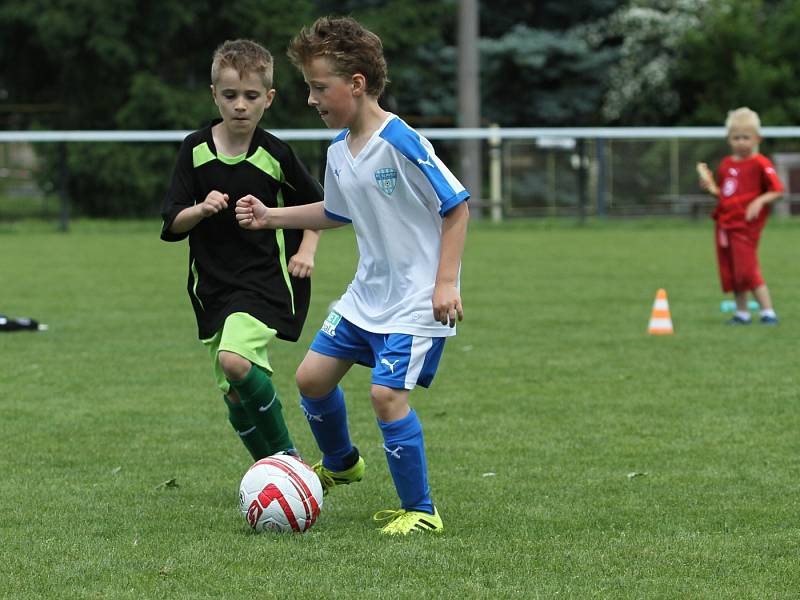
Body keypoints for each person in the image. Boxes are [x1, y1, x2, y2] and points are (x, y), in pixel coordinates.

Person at [236, 16, 470, 535]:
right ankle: (342, 463)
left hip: (415, 299)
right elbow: (336, 213)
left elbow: (455, 207)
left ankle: (422, 511)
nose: (313, 99)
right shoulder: (339, 150)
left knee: (386, 397)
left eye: (320, 87)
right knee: (311, 379)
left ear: (356, 84)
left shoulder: (400, 140)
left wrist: (446, 282)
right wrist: (272, 216)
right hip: (368, 295)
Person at [160, 39, 323, 462]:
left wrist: (307, 249)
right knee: (234, 394)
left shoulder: (275, 154)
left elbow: (321, 206)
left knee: (235, 361)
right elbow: (172, 222)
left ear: (267, 99)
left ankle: (289, 459)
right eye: (230, 95)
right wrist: (201, 208)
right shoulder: (193, 150)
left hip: (263, 280)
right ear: (214, 94)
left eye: (251, 96)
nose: (239, 106)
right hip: (211, 286)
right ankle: (268, 470)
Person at [699, 107, 784, 325]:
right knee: (732, 270)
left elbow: (777, 190)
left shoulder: (760, 163)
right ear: (729, 139)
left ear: (757, 138)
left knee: (747, 269)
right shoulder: (726, 164)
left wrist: (758, 201)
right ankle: (742, 313)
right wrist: (711, 188)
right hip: (726, 223)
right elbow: (726, 195)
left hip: (746, 226)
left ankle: (768, 312)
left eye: (746, 137)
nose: (741, 142)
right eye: (736, 137)